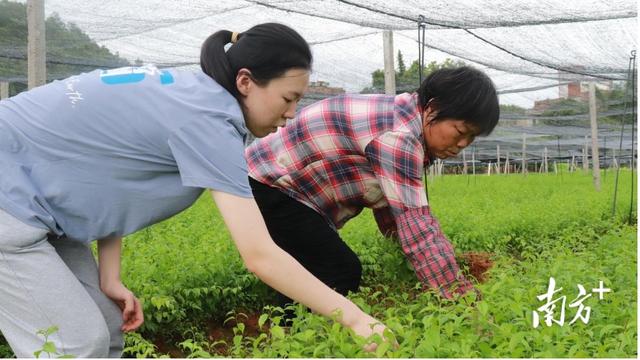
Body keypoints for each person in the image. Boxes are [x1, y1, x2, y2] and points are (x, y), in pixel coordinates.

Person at [0, 23, 387, 358]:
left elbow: (115, 174)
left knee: (106, 325)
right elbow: (259, 255)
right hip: (11, 203)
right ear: (246, 82)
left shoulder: (191, 94)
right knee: (74, 346)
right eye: (289, 99)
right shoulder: (209, 122)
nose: (291, 114)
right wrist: (354, 318)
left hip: (37, 202)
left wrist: (110, 276)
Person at [246, 66, 500, 310]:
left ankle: (288, 320)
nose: (462, 144)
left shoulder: (404, 117)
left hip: (284, 186)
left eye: (471, 137)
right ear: (433, 109)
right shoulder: (399, 137)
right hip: (271, 182)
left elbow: (395, 214)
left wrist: (443, 261)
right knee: (337, 270)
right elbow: (417, 226)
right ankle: (292, 337)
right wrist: (456, 294)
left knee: (311, 263)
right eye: (460, 131)